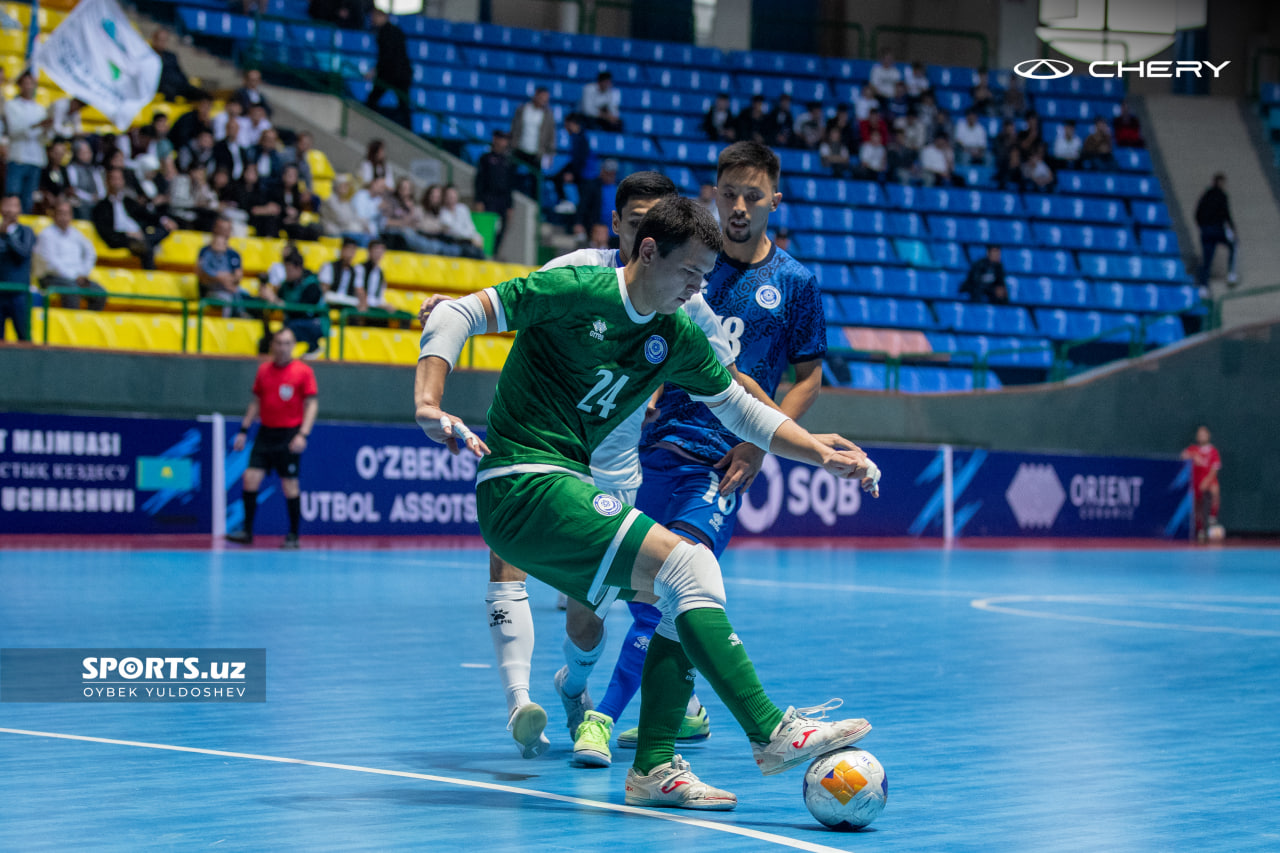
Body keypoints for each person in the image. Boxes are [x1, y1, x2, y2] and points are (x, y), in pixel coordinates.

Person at [416, 195, 877, 811]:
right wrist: (428, 403)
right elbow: (454, 315)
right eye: (688, 272)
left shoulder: (676, 331)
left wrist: (822, 454)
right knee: (685, 567)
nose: (696, 288)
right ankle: (772, 731)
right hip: (523, 481)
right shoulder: (577, 286)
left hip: (566, 488)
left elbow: (743, 410)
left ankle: (654, 766)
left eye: (705, 278)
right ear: (648, 252)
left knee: (689, 580)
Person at [417, 171, 772, 765]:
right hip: (538, 457)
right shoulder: (581, 270)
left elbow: (727, 381)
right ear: (623, 227)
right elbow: (512, 302)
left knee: (594, 619)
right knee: (534, 566)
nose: (644, 236)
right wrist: (450, 317)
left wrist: (770, 434)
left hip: (610, 473)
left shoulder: (686, 298)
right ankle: (523, 700)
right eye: (635, 224)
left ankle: (578, 689)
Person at [600, 142, 838, 759]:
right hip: (656, 446)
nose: (738, 206)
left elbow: (809, 376)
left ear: (773, 201)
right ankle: (689, 711)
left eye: (752, 196)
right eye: (727, 193)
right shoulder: (692, 263)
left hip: (721, 461)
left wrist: (760, 441)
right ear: (712, 194)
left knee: (682, 577)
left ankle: (601, 719)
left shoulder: (795, 284)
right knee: (645, 589)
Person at [228, 326, 319, 548]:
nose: (283, 348)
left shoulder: (303, 371)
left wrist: (303, 434)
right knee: (250, 478)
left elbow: (311, 404)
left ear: (293, 346)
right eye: (279, 343)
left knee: (290, 485)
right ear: (272, 346)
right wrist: (243, 430)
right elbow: (256, 402)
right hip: (265, 433)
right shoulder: (264, 370)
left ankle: (293, 536)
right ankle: (247, 532)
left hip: (289, 435)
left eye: (287, 344)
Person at [92, 168, 176, 270]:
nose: (116, 182)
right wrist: (127, 234)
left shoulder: (128, 202)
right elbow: (106, 231)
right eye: (113, 179)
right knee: (146, 247)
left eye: (118, 179)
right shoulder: (102, 207)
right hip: (122, 239)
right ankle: (150, 274)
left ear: (123, 181)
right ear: (107, 182)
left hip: (139, 235)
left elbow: (146, 215)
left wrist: (164, 220)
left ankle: (148, 243)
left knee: (163, 230)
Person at [35, 201, 102, 311]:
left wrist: (83, 273)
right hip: (51, 277)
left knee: (99, 293)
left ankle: (87, 323)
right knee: (71, 290)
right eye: (61, 213)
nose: (64, 217)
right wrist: (75, 277)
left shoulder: (76, 234)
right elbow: (52, 263)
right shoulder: (46, 235)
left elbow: (91, 253)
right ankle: (72, 322)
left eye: (67, 213)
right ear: (54, 215)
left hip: (76, 277)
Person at [260, 249, 325, 355]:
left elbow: (302, 311)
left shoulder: (312, 285)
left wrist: (276, 301)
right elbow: (276, 302)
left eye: (289, 270)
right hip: (291, 324)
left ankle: (314, 347)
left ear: (298, 268)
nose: (287, 274)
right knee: (268, 338)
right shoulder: (286, 284)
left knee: (285, 335)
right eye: (285, 270)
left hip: (313, 325)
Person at [5, 71, 51, 214]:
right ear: (19, 85)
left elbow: (46, 138)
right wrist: (37, 126)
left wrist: (47, 129)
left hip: (36, 159)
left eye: (31, 83)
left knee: (28, 198)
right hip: (17, 157)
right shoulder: (11, 105)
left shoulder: (41, 109)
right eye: (25, 83)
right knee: (12, 194)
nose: (28, 86)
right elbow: (14, 130)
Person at [366, 8, 412, 127]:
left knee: (373, 100)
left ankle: (371, 123)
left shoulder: (384, 33)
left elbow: (386, 56)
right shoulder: (397, 30)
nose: (372, 19)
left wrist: (374, 70)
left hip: (390, 74)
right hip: (402, 73)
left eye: (374, 16)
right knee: (403, 105)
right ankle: (408, 129)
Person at [475, 131, 518, 254]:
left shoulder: (509, 162)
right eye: (500, 139)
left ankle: (495, 253)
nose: (502, 142)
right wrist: (479, 200)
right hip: (488, 198)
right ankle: (484, 253)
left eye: (505, 139)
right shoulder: (485, 159)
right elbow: (479, 181)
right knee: (486, 229)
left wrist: (510, 206)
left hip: (503, 201)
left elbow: (510, 186)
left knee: (501, 229)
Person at [0, 195, 35, 341]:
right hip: (0, 292)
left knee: (24, 338)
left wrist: (7, 234)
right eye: (6, 205)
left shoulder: (26, 232)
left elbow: (23, 253)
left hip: (19, 293)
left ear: (20, 209)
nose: (10, 210)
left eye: (14, 205)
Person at [1195, 173, 1237, 289]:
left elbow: (1197, 213)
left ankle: (1203, 286)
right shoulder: (1222, 196)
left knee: (1207, 258)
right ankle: (1231, 275)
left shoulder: (1205, 195)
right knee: (1233, 245)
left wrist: (1202, 226)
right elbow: (1226, 214)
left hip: (1206, 231)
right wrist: (1233, 229)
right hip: (1217, 230)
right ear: (1220, 182)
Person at [1181, 425, 1222, 543]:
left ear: (1208, 435)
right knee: (1197, 506)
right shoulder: (1193, 449)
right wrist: (1194, 456)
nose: (1201, 436)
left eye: (1204, 434)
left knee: (1215, 490)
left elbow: (1215, 470)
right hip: (1196, 481)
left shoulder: (1213, 451)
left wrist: (1207, 481)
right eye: (1199, 434)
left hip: (1208, 480)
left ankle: (1212, 517)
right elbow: (1183, 455)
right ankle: (1200, 531)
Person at [196, 223, 248, 315]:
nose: (224, 232)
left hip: (229, 288)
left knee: (245, 295)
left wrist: (228, 281)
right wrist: (219, 278)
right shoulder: (207, 253)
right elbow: (202, 274)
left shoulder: (232, 254)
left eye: (227, 229)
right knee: (227, 299)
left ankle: (242, 315)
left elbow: (238, 276)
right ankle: (227, 322)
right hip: (212, 290)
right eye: (221, 229)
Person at [321, 174, 377, 246]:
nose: (346, 188)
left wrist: (365, 224)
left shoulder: (347, 202)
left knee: (372, 237)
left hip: (347, 229)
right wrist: (355, 225)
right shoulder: (330, 201)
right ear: (337, 186)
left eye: (347, 186)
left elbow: (356, 216)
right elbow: (341, 219)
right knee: (362, 238)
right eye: (344, 186)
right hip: (335, 230)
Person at [152, 28, 206, 102]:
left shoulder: (171, 56)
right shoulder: (149, 57)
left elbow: (180, 72)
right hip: (162, 87)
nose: (162, 43)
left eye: (165, 40)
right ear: (154, 40)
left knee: (201, 94)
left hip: (179, 85)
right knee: (169, 92)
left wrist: (186, 83)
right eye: (160, 40)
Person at [510, 87, 557, 172]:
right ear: (536, 95)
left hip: (537, 153)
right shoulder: (522, 109)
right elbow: (514, 128)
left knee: (535, 179)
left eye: (546, 98)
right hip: (519, 148)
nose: (543, 100)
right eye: (541, 97)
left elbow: (551, 135)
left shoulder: (548, 115)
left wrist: (550, 154)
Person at [439, 184, 486, 258]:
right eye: (449, 195)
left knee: (480, 251)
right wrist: (471, 238)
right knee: (472, 252)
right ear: (444, 197)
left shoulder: (463, 208)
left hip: (468, 241)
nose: (452, 197)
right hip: (453, 242)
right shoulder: (442, 212)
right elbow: (454, 231)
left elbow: (471, 227)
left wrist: (475, 237)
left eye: (454, 194)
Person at [317, 237, 363, 309]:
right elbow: (324, 289)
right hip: (330, 302)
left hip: (347, 304)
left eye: (353, 250)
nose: (350, 253)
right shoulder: (329, 266)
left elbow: (359, 291)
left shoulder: (356, 271)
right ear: (342, 250)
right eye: (348, 249)